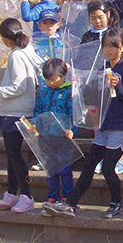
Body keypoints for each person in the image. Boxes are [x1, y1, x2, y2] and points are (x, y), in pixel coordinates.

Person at [43, 28, 123, 219]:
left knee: (108, 167)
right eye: (105, 45)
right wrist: (80, 81)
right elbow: (91, 93)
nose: (108, 49)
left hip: (122, 124)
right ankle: (70, 203)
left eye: (113, 46)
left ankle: (117, 203)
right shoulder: (104, 67)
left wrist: (117, 85)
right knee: (89, 165)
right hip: (105, 124)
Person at [0, 18, 44, 213]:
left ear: (5, 39)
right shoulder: (27, 51)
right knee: (12, 155)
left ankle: (25, 195)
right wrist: (1, 83)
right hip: (20, 110)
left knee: (15, 156)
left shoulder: (16, 55)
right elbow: (21, 83)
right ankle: (11, 192)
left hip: (14, 113)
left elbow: (19, 87)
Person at [34, 58, 75, 216]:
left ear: (63, 75)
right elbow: (38, 110)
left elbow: (74, 113)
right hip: (46, 136)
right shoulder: (44, 92)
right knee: (50, 169)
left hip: (63, 137)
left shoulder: (68, 91)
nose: (50, 83)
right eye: (47, 80)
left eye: (54, 80)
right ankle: (52, 197)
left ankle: (67, 197)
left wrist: (72, 129)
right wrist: (34, 124)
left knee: (64, 168)